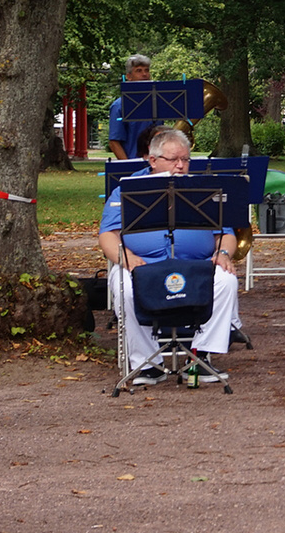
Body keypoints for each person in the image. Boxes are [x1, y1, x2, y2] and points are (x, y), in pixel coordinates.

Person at [98, 129, 241, 384]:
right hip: (143, 265)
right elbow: (108, 234)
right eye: (174, 159)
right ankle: (146, 363)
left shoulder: (203, 189)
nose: (180, 165)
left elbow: (226, 233)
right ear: (153, 160)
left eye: (186, 160)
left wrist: (223, 252)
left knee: (226, 280)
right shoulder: (127, 190)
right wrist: (126, 257)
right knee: (122, 286)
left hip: (195, 265)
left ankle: (199, 357)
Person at [106, 54, 155, 160]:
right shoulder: (119, 106)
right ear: (128, 77)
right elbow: (114, 142)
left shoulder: (158, 102)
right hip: (134, 161)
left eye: (146, 70)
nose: (144, 74)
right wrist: (128, 167)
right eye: (139, 71)